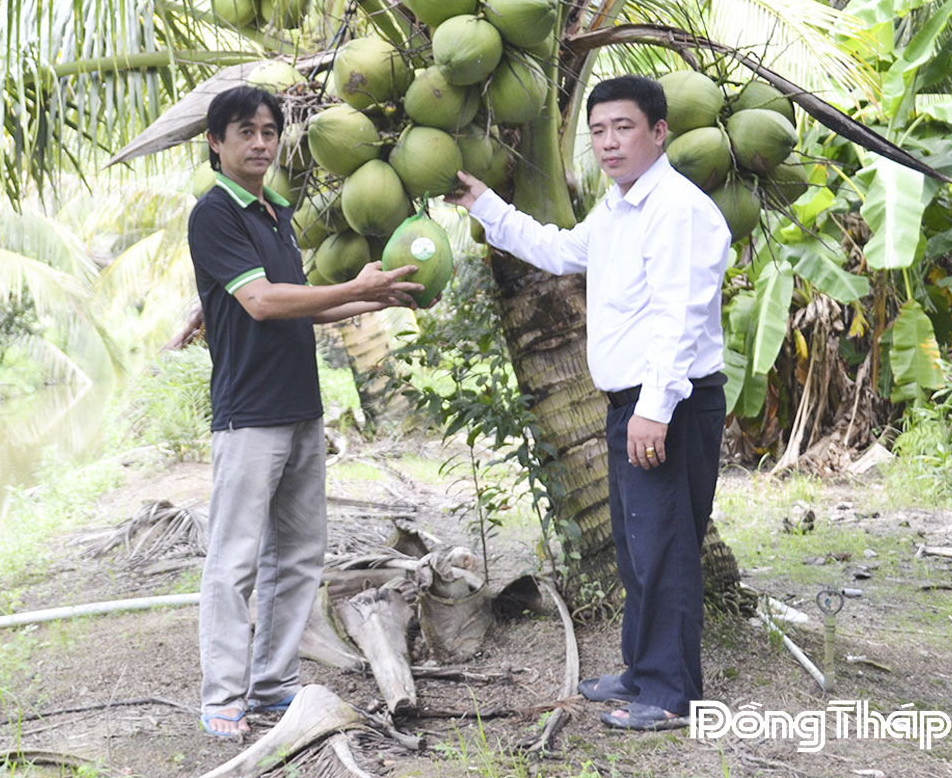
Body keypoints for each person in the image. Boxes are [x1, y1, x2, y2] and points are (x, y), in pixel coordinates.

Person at [445, 74, 731, 731]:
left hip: (670, 402)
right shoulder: (619, 207)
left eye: (623, 127)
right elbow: (558, 250)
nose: (607, 142)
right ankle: (642, 668)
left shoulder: (677, 210)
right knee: (639, 546)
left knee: (664, 546)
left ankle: (668, 695)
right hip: (631, 400)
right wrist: (485, 203)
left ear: (659, 133)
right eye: (598, 130)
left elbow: (679, 317)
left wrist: (654, 409)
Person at [188, 85, 425, 740]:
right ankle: (223, 699)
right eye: (245, 132)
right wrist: (356, 284)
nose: (260, 143)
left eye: (268, 131)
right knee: (235, 561)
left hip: (299, 407)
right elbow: (263, 302)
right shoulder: (215, 214)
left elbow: (310, 304)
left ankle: (273, 689)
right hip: (248, 414)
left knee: (297, 556)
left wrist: (379, 298)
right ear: (216, 142)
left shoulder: (274, 211)